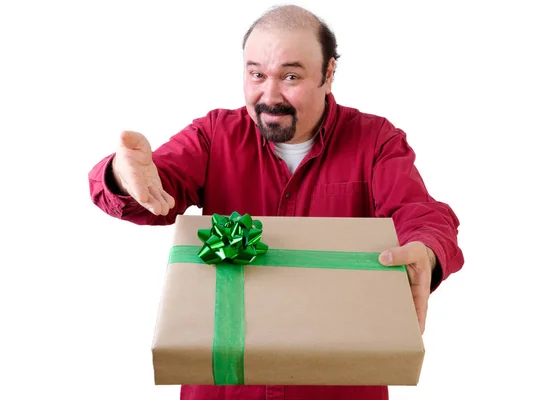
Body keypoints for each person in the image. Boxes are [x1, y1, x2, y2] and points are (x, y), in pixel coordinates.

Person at [88, 4, 464, 400]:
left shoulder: (376, 140)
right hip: (225, 387)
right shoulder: (214, 135)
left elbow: (418, 211)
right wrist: (121, 175)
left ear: (329, 74)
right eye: (256, 75)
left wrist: (427, 247)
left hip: (338, 385)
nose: (269, 95)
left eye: (290, 76)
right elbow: (155, 189)